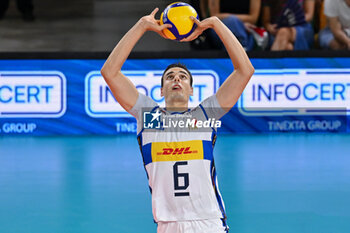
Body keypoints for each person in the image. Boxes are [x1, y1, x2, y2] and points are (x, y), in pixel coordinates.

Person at [101, 7, 254, 233]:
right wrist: (142, 26)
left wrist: (215, 24)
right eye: (170, 77)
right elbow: (110, 72)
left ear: (191, 90)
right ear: (161, 90)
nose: (176, 79)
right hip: (167, 225)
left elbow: (244, 70)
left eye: (183, 77)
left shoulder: (203, 116)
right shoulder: (150, 117)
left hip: (208, 223)